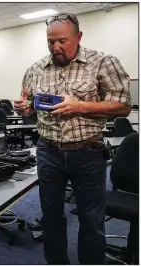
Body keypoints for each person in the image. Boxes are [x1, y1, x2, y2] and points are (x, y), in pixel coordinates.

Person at [14, 13, 132, 264]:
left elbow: (123, 106)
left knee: (91, 219)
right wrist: (24, 109)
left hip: (88, 152)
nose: (55, 47)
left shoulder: (102, 62)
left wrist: (80, 106)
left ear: (78, 37)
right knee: (51, 216)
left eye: (62, 41)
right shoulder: (35, 69)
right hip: (48, 152)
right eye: (50, 42)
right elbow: (30, 105)